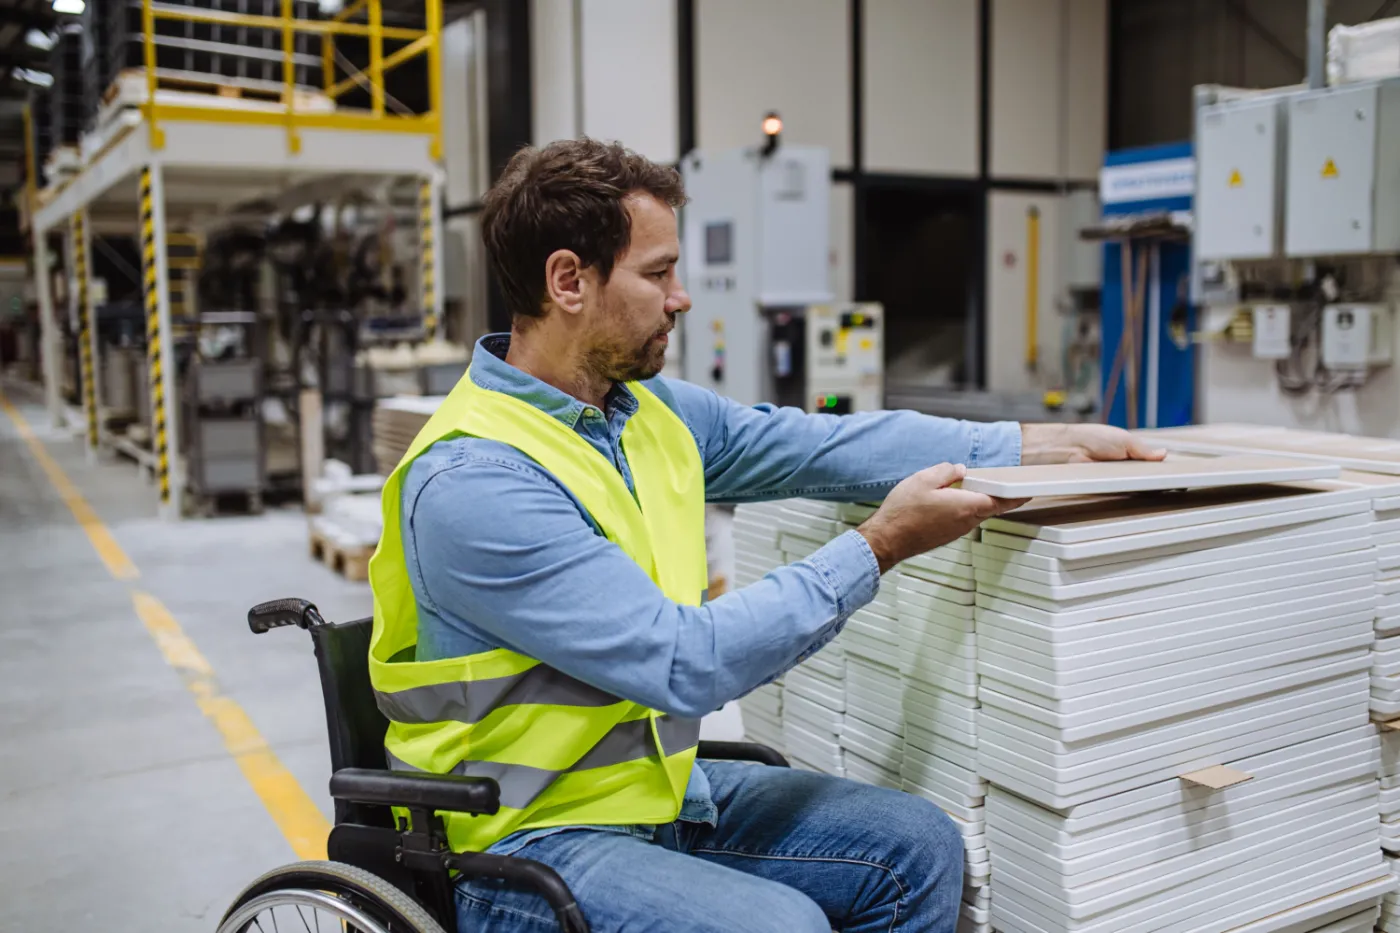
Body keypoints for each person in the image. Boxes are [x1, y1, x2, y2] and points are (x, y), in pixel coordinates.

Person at [367, 138, 1164, 933]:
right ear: (568, 280)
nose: (681, 297)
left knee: (916, 847)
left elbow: (820, 445)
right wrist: (880, 544)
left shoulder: (648, 414)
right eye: (657, 273)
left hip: (661, 797)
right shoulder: (476, 479)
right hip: (521, 844)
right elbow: (685, 661)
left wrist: (1024, 446)